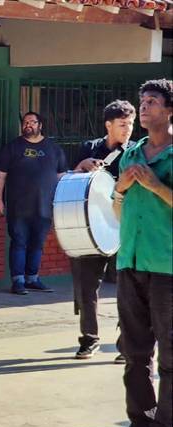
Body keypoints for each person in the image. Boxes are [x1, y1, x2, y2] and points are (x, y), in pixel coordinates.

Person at [111, 79, 172, 427]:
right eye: (142, 101)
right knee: (134, 351)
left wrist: (154, 185)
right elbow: (119, 209)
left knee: (170, 353)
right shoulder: (131, 151)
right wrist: (121, 187)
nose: (144, 106)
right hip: (130, 261)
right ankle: (141, 421)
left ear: (170, 110)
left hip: (166, 265)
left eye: (152, 101)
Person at [70, 100, 136, 360]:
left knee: (127, 290)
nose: (128, 129)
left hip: (124, 227)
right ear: (108, 125)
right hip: (93, 227)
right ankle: (89, 339)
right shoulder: (88, 149)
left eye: (130, 124)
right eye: (122, 124)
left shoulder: (135, 152)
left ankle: (126, 343)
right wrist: (80, 167)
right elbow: (68, 182)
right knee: (87, 288)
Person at [0, 112, 67, 295]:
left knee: (38, 243)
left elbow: (61, 178)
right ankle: (18, 281)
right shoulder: (12, 147)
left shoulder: (54, 149)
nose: (28, 125)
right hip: (18, 206)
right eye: (25, 122)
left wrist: (60, 204)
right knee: (18, 242)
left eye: (32, 122)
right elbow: (1, 176)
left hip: (44, 207)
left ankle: (32, 278)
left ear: (40, 125)